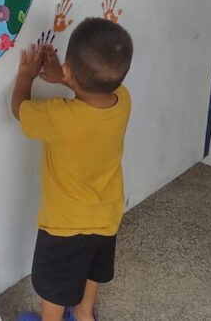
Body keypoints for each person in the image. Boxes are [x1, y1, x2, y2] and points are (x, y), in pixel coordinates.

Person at [10, 18, 133, 321]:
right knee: (92, 270)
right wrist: (65, 79)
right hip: (107, 214)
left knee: (55, 288)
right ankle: (84, 313)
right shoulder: (123, 100)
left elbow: (19, 109)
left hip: (66, 224)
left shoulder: (60, 116)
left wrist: (26, 75)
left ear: (68, 69)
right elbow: (95, 87)